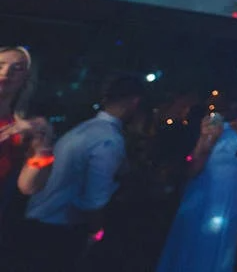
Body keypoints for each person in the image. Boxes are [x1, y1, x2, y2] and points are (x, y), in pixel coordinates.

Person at [20, 74, 142, 271]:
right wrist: (97, 232)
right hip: (57, 229)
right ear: (135, 102)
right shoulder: (108, 139)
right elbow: (94, 199)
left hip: (38, 217)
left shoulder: (84, 129)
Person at [156, 92, 237, 272]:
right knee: (193, 244)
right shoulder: (222, 129)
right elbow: (195, 166)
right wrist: (204, 139)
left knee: (220, 249)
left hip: (232, 201)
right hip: (206, 195)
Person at [0, 47, 53, 241]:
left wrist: (42, 145)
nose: (6, 73)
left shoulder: (25, 127)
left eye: (17, 68)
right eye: (0, 65)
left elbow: (29, 187)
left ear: (26, 79)